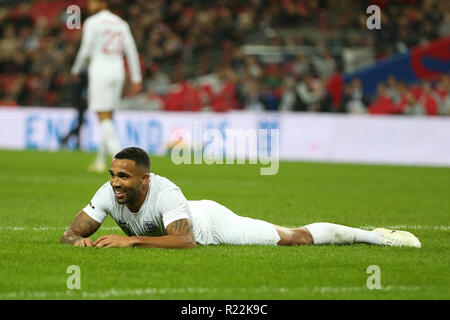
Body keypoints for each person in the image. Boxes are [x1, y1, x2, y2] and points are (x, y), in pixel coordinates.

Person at [61, 147, 422, 249]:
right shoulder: (108, 193)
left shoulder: (165, 191)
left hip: (211, 225)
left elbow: (186, 241)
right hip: (189, 216)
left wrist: (132, 241)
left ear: (145, 178)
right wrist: (81, 243)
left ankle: (375, 236)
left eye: (124, 176)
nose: (115, 183)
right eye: (112, 175)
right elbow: (70, 234)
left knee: (294, 238)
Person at [71, 0, 143, 172]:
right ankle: (100, 161)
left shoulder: (92, 22)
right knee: (108, 116)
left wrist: (75, 69)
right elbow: (131, 50)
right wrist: (136, 77)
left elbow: (86, 49)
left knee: (102, 116)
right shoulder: (121, 23)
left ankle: (121, 160)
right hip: (117, 71)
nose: (89, 4)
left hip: (100, 71)